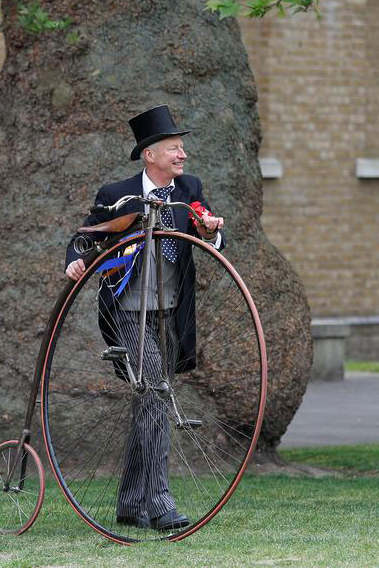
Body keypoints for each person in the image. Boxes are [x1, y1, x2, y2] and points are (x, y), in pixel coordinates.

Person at [64, 105, 225, 531]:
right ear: (149, 155)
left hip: (170, 315)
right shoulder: (117, 193)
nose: (182, 155)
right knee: (155, 395)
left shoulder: (189, 187)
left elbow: (209, 231)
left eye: (182, 148)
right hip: (129, 313)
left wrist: (210, 230)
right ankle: (159, 501)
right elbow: (86, 236)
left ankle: (131, 504)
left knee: (148, 401)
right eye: (174, 148)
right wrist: (76, 262)